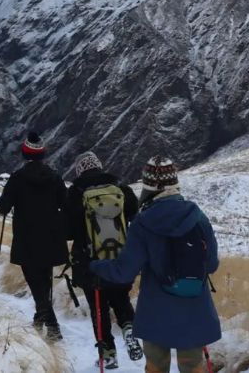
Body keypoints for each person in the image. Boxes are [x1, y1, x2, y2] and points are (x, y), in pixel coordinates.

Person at [91, 156, 220, 373]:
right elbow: (212, 265)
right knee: (192, 367)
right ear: (175, 183)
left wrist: (96, 266)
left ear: (148, 186)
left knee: (156, 368)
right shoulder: (198, 217)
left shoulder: (142, 223)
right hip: (195, 308)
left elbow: (124, 272)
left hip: (155, 311)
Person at [65, 151, 141, 369]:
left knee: (98, 307)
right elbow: (135, 216)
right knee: (121, 297)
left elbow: (69, 231)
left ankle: (107, 353)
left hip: (89, 262)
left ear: (80, 171)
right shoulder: (121, 190)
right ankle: (128, 327)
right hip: (120, 259)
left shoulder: (76, 194)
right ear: (99, 166)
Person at [0, 132, 69, 341]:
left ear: (24, 154)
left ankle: (53, 327)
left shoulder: (17, 178)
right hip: (51, 237)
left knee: (35, 282)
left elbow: (3, 207)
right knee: (44, 280)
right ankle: (39, 320)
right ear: (43, 155)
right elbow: (65, 205)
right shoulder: (54, 177)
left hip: (26, 238)